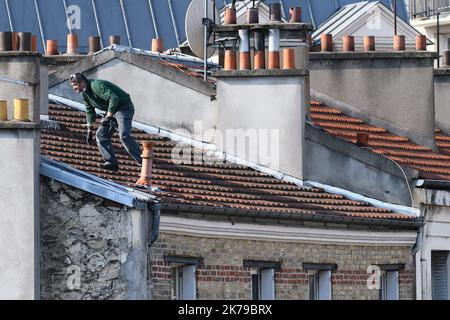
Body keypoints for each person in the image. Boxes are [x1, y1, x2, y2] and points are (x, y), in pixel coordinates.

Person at [69, 73, 142, 171]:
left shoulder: (96, 86)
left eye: (75, 84)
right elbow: (89, 111)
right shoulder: (85, 93)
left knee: (124, 135)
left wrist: (108, 115)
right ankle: (111, 162)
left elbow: (113, 98)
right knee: (101, 135)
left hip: (123, 108)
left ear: (82, 82)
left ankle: (142, 160)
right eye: (72, 85)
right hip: (111, 110)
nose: (73, 87)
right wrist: (89, 130)